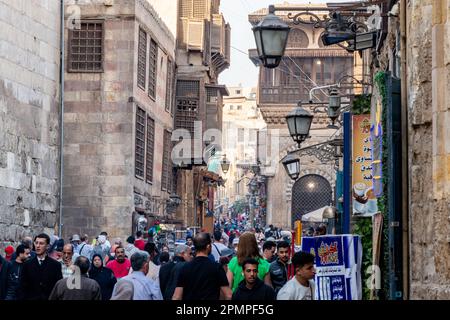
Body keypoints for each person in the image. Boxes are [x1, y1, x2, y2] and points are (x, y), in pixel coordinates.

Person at [172, 232, 232, 300]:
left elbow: (176, 296)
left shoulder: (185, 268)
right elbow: (228, 295)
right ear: (208, 246)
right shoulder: (217, 267)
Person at [20, 233, 63, 300]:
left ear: (48, 246)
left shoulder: (56, 265)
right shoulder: (27, 265)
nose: (38, 246)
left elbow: (58, 288)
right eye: (36, 243)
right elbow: (22, 287)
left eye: (41, 243)